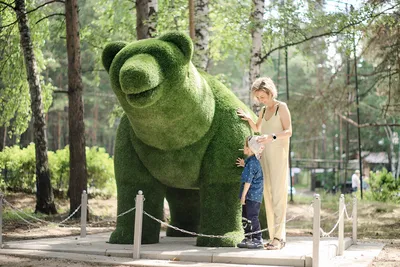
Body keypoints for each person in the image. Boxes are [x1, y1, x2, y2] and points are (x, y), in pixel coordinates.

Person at [236, 77, 292, 250]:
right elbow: (258, 128)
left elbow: (288, 131)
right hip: (263, 157)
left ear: (270, 92)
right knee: (267, 196)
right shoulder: (262, 111)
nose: (261, 101)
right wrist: (248, 118)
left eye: (263, 97)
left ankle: (279, 238)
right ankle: (273, 236)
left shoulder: (281, 107)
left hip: (278, 157)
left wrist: (272, 137)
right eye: (258, 98)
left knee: (278, 196)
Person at [236, 136, 264, 249]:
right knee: (245, 217)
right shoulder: (250, 161)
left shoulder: (252, 163)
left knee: (252, 217)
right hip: (252, 196)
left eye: (245, 146)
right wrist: (244, 164)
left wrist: (243, 196)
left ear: (250, 149)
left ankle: (258, 239)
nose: (243, 147)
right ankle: (248, 237)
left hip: (252, 196)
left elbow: (248, 181)